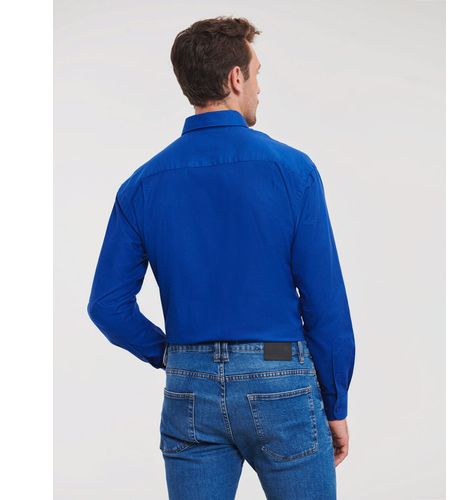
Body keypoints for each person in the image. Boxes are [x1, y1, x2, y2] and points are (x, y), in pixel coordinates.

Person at [87, 16, 355, 500]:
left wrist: (170, 354)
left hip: (190, 384)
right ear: (235, 78)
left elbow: (107, 305)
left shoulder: (142, 185)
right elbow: (325, 301)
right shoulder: (292, 170)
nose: (259, 87)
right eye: (257, 73)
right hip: (280, 372)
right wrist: (335, 403)